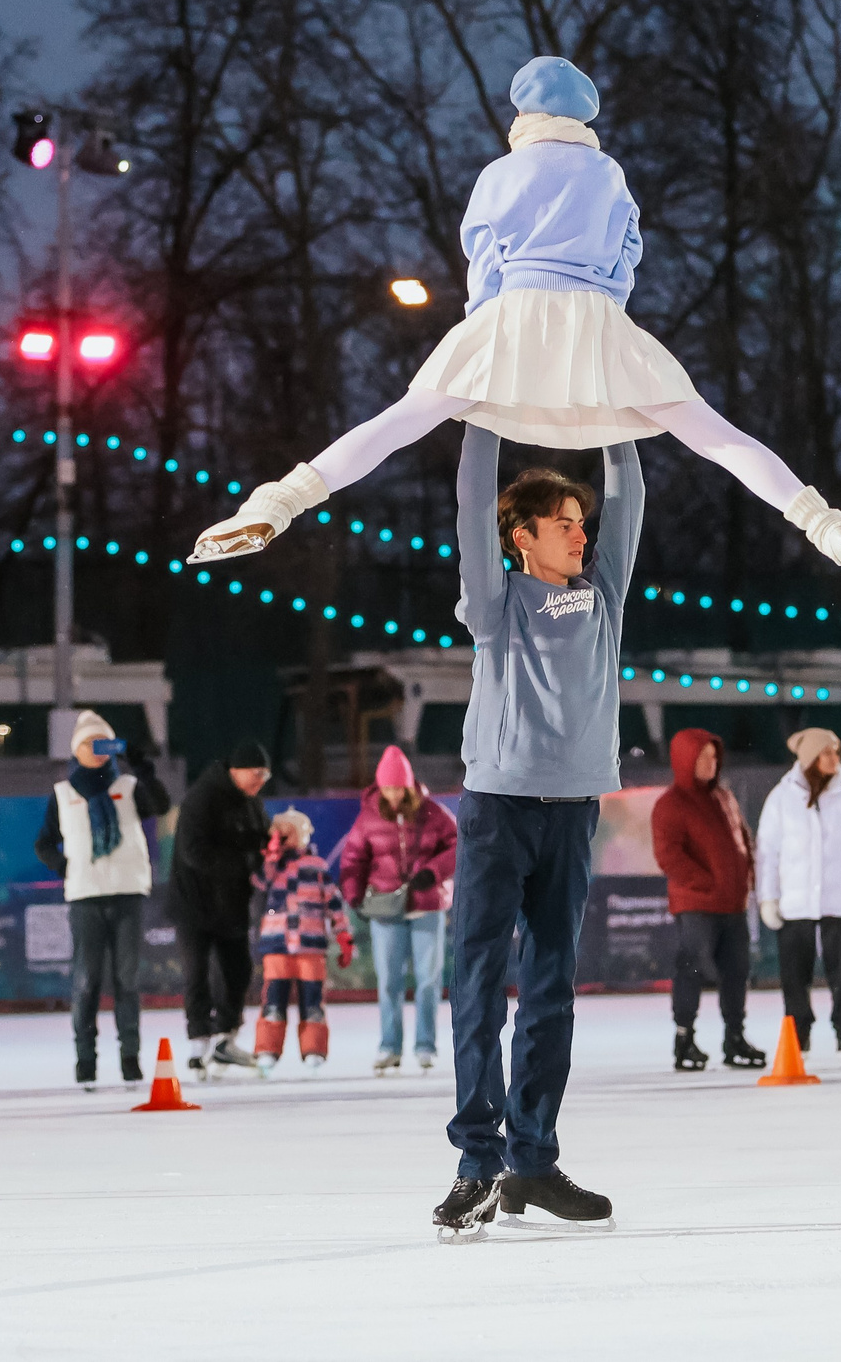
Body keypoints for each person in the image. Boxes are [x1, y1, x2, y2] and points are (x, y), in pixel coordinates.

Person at [190, 55, 841, 601]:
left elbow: (485, 256)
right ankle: (831, 529)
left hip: (513, 312)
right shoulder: (609, 174)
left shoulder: (501, 173)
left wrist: (487, 336)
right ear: (582, 119)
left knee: (398, 422)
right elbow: (629, 252)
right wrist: (607, 326)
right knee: (716, 436)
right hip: (595, 317)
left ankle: (276, 503)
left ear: (522, 118)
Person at [433, 422, 639, 1237]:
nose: (582, 533)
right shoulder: (495, 600)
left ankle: (532, 1161)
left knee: (551, 991)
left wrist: (619, 422)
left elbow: (630, 499)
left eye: (583, 522)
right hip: (498, 808)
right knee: (480, 986)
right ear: (522, 539)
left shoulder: (603, 594)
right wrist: (483, 411)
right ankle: (478, 1164)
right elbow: (469, 499)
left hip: (573, 810)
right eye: (564, 523)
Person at [34, 708, 172, 1088]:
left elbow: (160, 805)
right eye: (88, 743)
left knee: (127, 979)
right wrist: (66, 867)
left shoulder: (126, 786)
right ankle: (85, 1061)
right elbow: (43, 842)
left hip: (127, 891)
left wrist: (143, 767)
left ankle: (130, 1058)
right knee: (86, 980)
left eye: (103, 743)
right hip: (86, 897)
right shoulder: (63, 794)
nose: (96, 750)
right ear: (75, 749)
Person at [754, 726, 841, 1060]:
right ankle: (799, 1037)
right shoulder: (781, 798)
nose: (834, 759)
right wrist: (768, 897)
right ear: (810, 758)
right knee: (795, 976)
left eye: (836, 752)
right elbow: (767, 853)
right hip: (796, 904)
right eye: (827, 753)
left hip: (839, 901)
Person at [649, 727, 765, 1072]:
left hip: (733, 903)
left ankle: (734, 1037)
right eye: (703, 757)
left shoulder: (724, 798)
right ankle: (684, 1038)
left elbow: (743, 839)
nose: (711, 764)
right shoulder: (670, 805)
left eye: (715, 757)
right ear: (685, 760)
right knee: (692, 968)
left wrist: (748, 876)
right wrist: (707, 883)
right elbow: (669, 855)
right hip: (697, 904)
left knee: (736, 971)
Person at [336, 745, 457, 1075]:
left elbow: (459, 844)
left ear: (408, 785)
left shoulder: (432, 812)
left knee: (429, 981)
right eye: (387, 787)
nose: (392, 795)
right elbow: (353, 859)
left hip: (425, 907)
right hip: (387, 908)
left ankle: (425, 1046)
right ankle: (389, 1046)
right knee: (389, 981)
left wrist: (433, 872)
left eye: (397, 787)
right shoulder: (369, 816)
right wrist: (355, 897)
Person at [166, 740, 273, 1081]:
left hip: (231, 903)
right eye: (256, 775)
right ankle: (198, 1043)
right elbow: (193, 852)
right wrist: (243, 861)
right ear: (236, 771)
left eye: (264, 777)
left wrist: (272, 845)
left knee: (238, 971)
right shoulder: (201, 798)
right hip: (194, 904)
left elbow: (261, 839)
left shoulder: (250, 802)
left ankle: (225, 1038)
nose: (260, 782)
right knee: (196, 973)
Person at [249, 809, 355, 1073]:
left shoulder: (316, 866)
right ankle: (267, 1049)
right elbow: (258, 885)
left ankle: (314, 1049)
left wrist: (343, 934)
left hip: (310, 945)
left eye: (288, 834)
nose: (284, 838)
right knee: (273, 999)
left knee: (313, 1000)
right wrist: (271, 856)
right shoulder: (271, 866)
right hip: (277, 944)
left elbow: (333, 902)